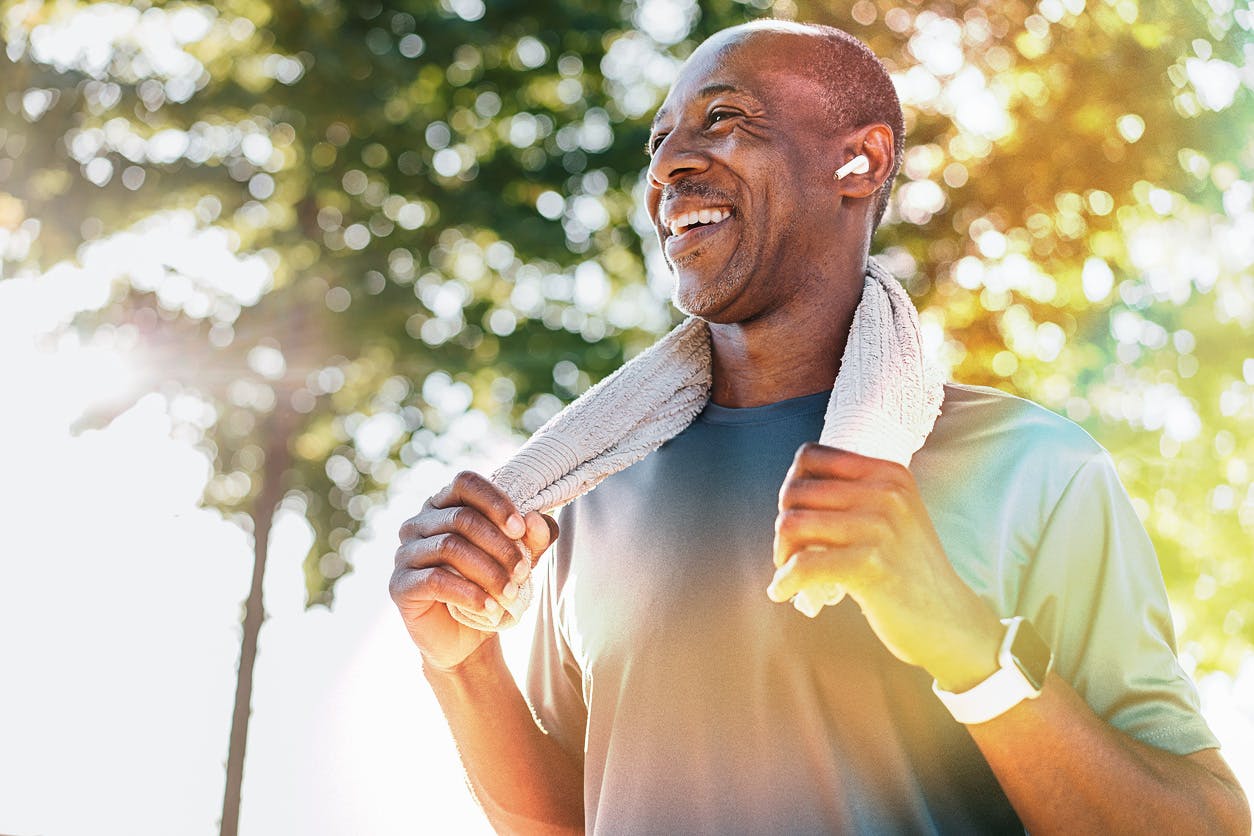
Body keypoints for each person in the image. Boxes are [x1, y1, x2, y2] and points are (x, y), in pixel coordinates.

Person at [389, 20, 1250, 834]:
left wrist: (969, 648)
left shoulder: (1034, 468)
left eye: (723, 119)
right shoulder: (584, 492)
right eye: (659, 143)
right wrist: (462, 666)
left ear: (860, 162)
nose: (669, 168)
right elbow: (574, 819)